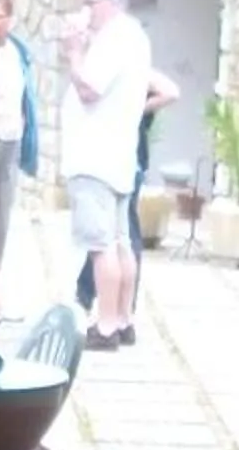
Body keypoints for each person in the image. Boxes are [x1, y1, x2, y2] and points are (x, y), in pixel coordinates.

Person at [59, 0, 152, 350]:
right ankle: (124, 318)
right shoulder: (134, 37)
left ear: (111, 2)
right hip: (117, 155)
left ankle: (108, 324)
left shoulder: (115, 39)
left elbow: (89, 88)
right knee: (120, 242)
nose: (85, 12)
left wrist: (73, 52)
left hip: (94, 156)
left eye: (89, 3)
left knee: (102, 247)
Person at [75, 68, 180, 345]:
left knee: (112, 239)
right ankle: (120, 315)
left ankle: (109, 316)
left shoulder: (127, 70)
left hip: (114, 164)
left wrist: (136, 109)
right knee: (120, 237)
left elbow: (170, 91)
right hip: (124, 162)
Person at [0, 0, 38, 265]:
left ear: (9, 20)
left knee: (1, 218)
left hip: (11, 141)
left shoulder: (18, 54)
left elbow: (26, 98)